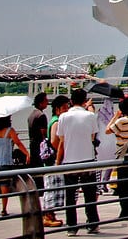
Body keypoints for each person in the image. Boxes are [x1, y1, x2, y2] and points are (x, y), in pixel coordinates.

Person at [56, 88, 101, 233]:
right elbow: (92, 138)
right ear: (84, 100)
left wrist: (58, 162)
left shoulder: (63, 117)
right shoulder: (91, 116)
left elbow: (61, 141)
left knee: (70, 197)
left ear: (71, 101)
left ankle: (72, 227)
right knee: (89, 195)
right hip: (88, 159)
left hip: (70, 161)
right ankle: (92, 224)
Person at [106, 96, 128, 220]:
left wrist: (115, 116)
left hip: (123, 156)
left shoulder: (120, 122)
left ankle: (125, 212)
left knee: (122, 186)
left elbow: (107, 130)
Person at [0, 115, 29, 218]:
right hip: (5, 161)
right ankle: (3, 210)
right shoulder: (10, 130)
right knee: (4, 186)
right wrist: (27, 153)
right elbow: (18, 143)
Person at [42, 95, 70, 228]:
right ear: (57, 109)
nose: (67, 109)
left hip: (53, 159)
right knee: (51, 188)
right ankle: (47, 216)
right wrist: (60, 152)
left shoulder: (57, 120)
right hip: (53, 159)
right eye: (65, 107)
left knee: (53, 187)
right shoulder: (56, 122)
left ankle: (50, 215)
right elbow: (54, 140)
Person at [27, 92, 49, 183]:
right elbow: (43, 133)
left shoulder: (31, 115)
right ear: (41, 103)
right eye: (46, 101)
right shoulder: (41, 115)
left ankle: (35, 184)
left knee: (34, 166)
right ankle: (41, 186)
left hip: (32, 144)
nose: (47, 102)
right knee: (40, 166)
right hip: (40, 145)